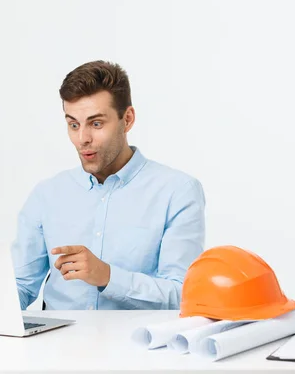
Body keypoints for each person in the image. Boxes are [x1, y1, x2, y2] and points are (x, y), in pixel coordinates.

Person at [11, 60, 206, 310]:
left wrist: (108, 276)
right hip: (55, 344)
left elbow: (181, 294)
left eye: (96, 124)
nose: (83, 139)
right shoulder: (46, 195)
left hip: (136, 346)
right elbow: (20, 286)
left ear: (127, 119)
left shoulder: (178, 191)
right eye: (73, 124)